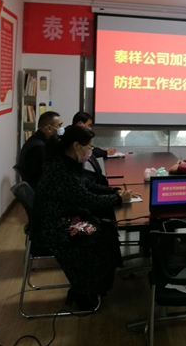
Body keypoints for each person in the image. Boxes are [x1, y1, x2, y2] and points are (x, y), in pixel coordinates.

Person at [33, 125, 138, 310]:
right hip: (57, 226)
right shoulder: (61, 171)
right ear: (76, 146)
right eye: (89, 146)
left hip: (65, 217)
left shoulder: (65, 162)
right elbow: (88, 199)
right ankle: (85, 289)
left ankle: (96, 285)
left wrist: (114, 191)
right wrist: (118, 199)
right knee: (102, 234)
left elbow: (87, 186)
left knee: (107, 228)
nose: (91, 151)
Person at [17, 111, 63, 189]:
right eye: (59, 125)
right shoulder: (38, 148)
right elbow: (43, 175)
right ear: (49, 128)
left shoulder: (37, 140)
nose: (61, 128)